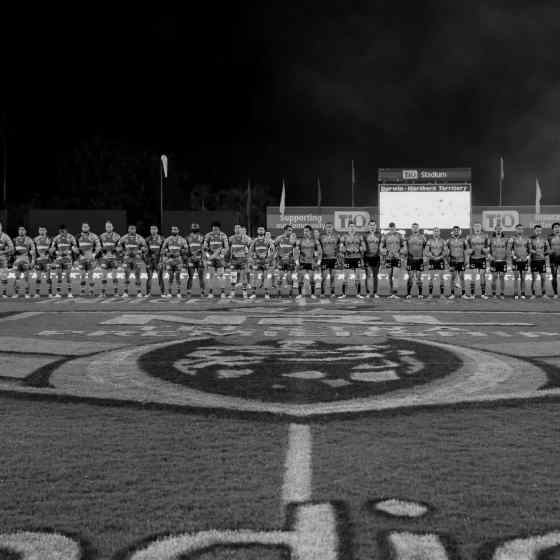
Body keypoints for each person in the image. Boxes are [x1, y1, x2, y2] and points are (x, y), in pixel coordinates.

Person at [161, 226, 188, 297]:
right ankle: (169, 292)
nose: (174, 231)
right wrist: (167, 253)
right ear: (171, 230)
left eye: (175, 229)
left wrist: (180, 253)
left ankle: (179, 293)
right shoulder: (167, 239)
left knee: (178, 276)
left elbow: (186, 250)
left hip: (178, 260)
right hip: (169, 260)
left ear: (178, 231)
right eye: (173, 229)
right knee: (171, 276)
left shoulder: (182, 240)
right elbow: (163, 249)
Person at [249, 226, 275, 299]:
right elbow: (251, 251)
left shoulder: (268, 241)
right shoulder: (254, 241)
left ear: (264, 231)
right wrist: (253, 259)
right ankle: (253, 293)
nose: (260, 231)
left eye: (262, 230)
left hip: (265, 262)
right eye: (259, 229)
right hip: (257, 262)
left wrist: (269, 259)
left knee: (266, 277)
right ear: (257, 231)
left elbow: (273, 250)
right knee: (254, 277)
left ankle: (267, 294)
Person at [508, 224, 531, 299]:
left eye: (521, 229)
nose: (520, 230)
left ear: (523, 230)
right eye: (518, 229)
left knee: (523, 277)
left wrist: (527, 257)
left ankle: (523, 293)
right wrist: (514, 257)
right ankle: (516, 293)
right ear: (516, 229)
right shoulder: (512, 238)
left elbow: (529, 249)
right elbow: (509, 249)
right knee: (516, 277)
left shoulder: (527, 238)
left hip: (524, 261)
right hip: (516, 260)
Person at [229, 225, 250, 297]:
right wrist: (229, 258)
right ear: (234, 230)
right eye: (236, 228)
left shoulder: (246, 239)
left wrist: (247, 258)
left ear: (240, 230)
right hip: (234, 260)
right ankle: (232, 292)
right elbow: (229, 249)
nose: (237, 229)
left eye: (239, 228)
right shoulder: (231, 238)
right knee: (233, 276)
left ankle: (244, 293)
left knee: (244, 276)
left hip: (242, 260)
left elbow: (250, 249)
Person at [488, 224, 508, 299]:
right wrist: (489, 256)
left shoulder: (505, 239)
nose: (498, 230)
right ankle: (494, 294)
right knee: (494, 277)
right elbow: (488, 249)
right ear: (495, 230)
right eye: (497, 229)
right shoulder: (491, 239)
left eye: (500, 229)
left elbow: (508, 250)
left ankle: (502, 294)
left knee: (502, 277)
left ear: (502, 230)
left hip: (503, 261)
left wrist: (507, 259)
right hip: (494, 261)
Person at [529, 224, 550, 298]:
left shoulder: (544, 240)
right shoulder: (530, 239)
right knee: (534, 278)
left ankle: (544, 293)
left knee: (543, 278)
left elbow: (547, 250)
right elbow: (530, 249)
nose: (538, 232)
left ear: (541, 231)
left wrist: (546, 259)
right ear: (534, 231)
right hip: (534, 261)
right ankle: (533, 294)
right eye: (537, 230)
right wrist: (537, 253)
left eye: (540, 230)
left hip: (542, 261)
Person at [363, 220, 382, 297]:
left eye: (373, 225)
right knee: (367, 275)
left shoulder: (379, 235)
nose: (372, 226)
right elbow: (363, 247)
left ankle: (375, 292)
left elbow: (381, 246)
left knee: (375, 276)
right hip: (367, 258)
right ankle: (367, 292)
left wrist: (382, 256)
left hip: (376, 257)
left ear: (376, 226)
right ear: (368, 226)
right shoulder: (365, 235)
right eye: (371, 225)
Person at [549, 222, 560, 298]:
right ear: (553, 229)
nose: (557, 228)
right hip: (553, 259)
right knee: (554, 276)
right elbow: (546, 248)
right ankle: (555, 293)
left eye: (558, 227)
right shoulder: (549, 237)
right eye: (555, 227)